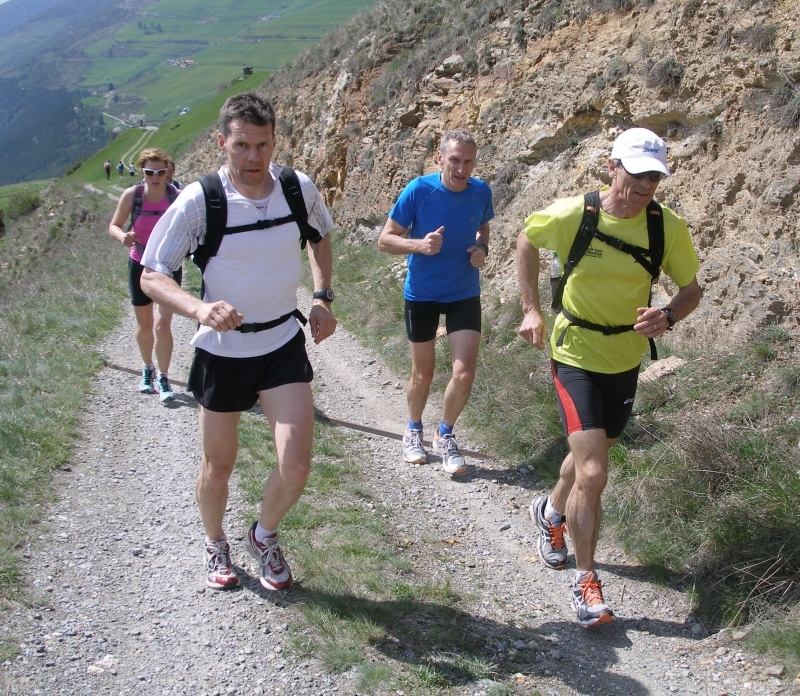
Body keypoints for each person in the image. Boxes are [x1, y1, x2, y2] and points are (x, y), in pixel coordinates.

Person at [140, 92, 337, 591]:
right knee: (219, 465)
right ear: (222, 142)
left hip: (280, 344)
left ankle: (263, 535)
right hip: (222, 352)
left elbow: (320, 236)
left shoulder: (296, 187)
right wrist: (200, 309)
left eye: (263, 145)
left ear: (274, 141)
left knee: (296, 464)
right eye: (242, 145)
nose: (254, 158)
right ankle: (214, 543)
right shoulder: (200, 201)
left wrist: (321, 297)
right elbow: (152, 276)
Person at [516, 127, 701, 627]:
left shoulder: (667, 227)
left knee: (583, 466)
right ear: (612, 167)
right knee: (594, 472)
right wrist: (532, 310)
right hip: (574, 352)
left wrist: (667, 317)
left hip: (625, 359)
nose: (644, 187)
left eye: (654, 178)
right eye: (636, 175)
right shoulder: (577, 214)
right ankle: (586, 583)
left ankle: (551, 515)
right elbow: (526, 241)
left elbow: (691, 289)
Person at [378, 130, 493, 476]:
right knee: (423, 373)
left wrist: (482, 249)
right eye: (454, 160)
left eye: (468, 161)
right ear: (440, 158)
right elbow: (385, 240)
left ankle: (445, 434)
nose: (461, 168)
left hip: (463, 291)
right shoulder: (418, 190)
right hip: (423, 293)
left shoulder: (481, 191)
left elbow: (484, 228)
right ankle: (413, 430)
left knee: (465, 371)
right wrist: (419, 246)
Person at [108, 148, 182, 403]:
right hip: (139, 264)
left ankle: (163, 375)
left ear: (168, 171)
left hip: (168, 267)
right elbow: (114, 225)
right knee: (145, 326)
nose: (156, 176)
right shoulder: (133, 195)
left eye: (161, 171)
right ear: (142, 172)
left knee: (163, 326)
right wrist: (123, 237)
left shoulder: (176, 196)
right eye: (150, 172)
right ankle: (147, 368)